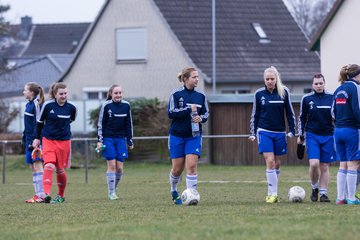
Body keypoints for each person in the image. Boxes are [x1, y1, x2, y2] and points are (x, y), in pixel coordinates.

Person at [249, 66, 296, 203]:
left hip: (280, 132)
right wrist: (252, 132)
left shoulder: (284, 92)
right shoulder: (259, 94)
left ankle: (271, 191)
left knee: (277, 163)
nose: (269, 81)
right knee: (269, 161)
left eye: (272, 79)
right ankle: (273, 194)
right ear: (264, 79)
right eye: (267, 79)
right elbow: (255, 115)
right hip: (264, 131)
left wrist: (292, 130)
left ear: (276, 79)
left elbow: (290, 113)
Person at [167, 67, 209, 205]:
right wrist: (187, 110)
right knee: (177, 169)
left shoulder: (201, 96)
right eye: (194, 77)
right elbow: (171, 113)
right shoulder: (175, 94)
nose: (197, 79)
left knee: (191, 166)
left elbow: (206, 114)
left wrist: (201, 118)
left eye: (198, 77)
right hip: (177, 136)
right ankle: (173, 190)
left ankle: (192, 197)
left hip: (194, 136)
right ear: (185, 79)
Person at [32, 83, 77, 204]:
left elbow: (71, 119)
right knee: (49, 165)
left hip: (64, 141)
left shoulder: (72, 107)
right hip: (48, 140)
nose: (64, 96)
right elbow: (40, 122)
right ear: (55, 94)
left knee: (60, 169)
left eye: (65, 93)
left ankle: (60, 195)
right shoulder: (48, 105)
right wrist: (37, 138)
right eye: (61, 94)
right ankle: (46, 194)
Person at [297, 74, 335, 203]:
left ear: (324, 83)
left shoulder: (332, 97)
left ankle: (323, 194)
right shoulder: (306, 99)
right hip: (312, 135)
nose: (319, 86)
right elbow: (302, 118)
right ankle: (314, 188)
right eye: (316, 83)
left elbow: (336, 116)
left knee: (324, 166)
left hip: (329, 135)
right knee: (314, 164)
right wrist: (300, 135)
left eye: (321, 83)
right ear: (312, 85)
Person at [97, 84, 134, 200]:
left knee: (119, 169)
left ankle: (113, 188)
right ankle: (111, 193)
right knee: (112, 165)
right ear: (111, 94)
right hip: (108, 138)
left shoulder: (126, 105)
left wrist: (130, 140)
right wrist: (100, 140)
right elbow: (100, 124)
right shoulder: (106, 106)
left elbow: (129, 124)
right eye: (116, 93)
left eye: (120, 93)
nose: (118, 95)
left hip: (121, 139)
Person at [332, 64, 360, 205]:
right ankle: (351, 198)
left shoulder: (339, 89)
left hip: (338, 131)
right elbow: (357, 109)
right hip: (352, 130)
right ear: (357, 75)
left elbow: (332, 112)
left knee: (343, 165)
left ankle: (340, 198)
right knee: (353, 165)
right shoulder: (355, 88)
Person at [22, 82, 46, 203]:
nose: (23, 92)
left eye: (25, 90)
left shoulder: (37, 105)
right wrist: (24, 137)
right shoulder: (28, 105)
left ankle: (42, 195)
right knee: (33, 167)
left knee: (38, 166)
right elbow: (28, 125)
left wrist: (37, 140)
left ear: (31, 92)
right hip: (28, 141)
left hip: (35, 141)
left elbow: (39, 124)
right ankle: (38, 195)